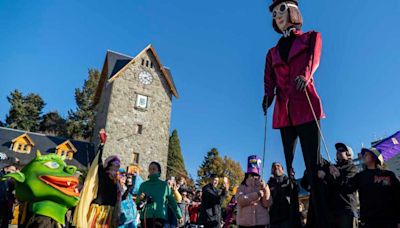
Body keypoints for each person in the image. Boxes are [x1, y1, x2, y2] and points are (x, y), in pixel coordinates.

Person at [262, 0, 327, 227]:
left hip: (306, 103)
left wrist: (306, 75)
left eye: (281, 10)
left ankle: (317, 220)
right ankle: (292, 221)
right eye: (274, 14)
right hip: (284, 110)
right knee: (288, 169)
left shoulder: (311, 37)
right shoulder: (271, 52)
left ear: (292, 11)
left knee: (313, 164)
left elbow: (313, 59)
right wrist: (267, 96)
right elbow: (268, 79)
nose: (278, 16)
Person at [336, 148, 400, 228]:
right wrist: (338, 176)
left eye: (367, 153)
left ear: (374, 156)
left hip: (389, 221)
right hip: (369, 222)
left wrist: (398, 220)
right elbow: (346, 188)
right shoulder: (360, 176)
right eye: (363, 154)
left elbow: (397, 196)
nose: (364, 155)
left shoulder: (389, 175)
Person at [317, 143, 358, 228]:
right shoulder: (333, 167)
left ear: (348, 154)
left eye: (341, 150)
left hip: (346, 210)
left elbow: (347, 185)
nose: (338, 152)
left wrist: (330, 176)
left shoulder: (352, 168)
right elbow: (322, 162)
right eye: (337, 150)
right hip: (333, 210)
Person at [136, 162, 182, 228]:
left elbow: (172, 202)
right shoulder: (143, 185)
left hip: (159, 217)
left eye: (154, 169)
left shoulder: (164, 186)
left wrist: (179, 215)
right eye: (150, 169)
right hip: (145, 217)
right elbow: (137, 201)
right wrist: (141, 198)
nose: (151, 171)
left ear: (159, 171)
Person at [268, 162, 298, 228]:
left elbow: (296, 190)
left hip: (287, 217)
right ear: (271, 171)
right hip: (273, 218)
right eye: (273, 166)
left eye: (278, 166)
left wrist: (292, 178)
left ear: (283, 169)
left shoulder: (288, 180)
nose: (276, 167)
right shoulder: (269, 184)